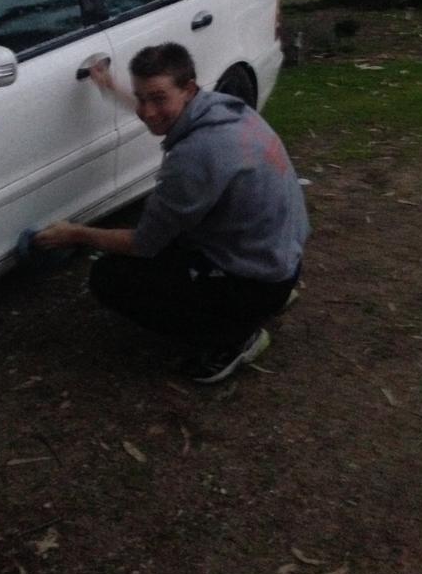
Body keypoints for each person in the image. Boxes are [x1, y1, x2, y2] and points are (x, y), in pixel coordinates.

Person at [35, 42, 310, 384]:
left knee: (109, 277)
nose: (148, 111)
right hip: (283, 257)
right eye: (140, 98)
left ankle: (236, 338)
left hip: (260, 278)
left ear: (189, 89)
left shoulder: (195, 157)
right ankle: (265, 298)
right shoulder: (225, 109)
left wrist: (76, 233)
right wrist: (110, 87)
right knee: (171, 240)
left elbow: (144, 244)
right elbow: (159, 107)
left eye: (158, 98)